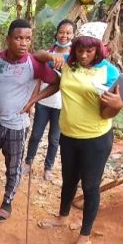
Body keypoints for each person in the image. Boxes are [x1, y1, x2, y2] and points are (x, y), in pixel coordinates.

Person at [31, 23, 123, 244]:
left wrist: (117, 106)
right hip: (68, 135)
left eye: (89, 51)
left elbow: (109, 111)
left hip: (96, 138)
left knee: (90, 186)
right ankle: (62, 217)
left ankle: (85, 234)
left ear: (98, 50)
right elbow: (39, 57)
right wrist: (53, 56)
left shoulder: (109, 72)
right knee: (68, 179)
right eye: (79, 50)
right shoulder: (68, 63)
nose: (83, 55)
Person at [0, 19, 59, 223]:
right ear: (8, 39)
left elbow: (56, 83)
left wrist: (33, 100)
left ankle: (7, 202)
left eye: (27, 39)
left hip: (17, 127)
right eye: (18, 38)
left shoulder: (34, 64)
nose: (23, 43)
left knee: (13, 166)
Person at [23, 19, 75, 181]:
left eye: (68, 33)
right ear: (56, 33)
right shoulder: (48, 53)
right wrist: (32, 101)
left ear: (73, 35)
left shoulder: (76, 57)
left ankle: (48, 167)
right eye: (61, 32)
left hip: (62, 106)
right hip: (44, 103)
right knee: (36, 135)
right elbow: (39, 79)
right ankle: (28, 162)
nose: (64, 35)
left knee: (54, 138)